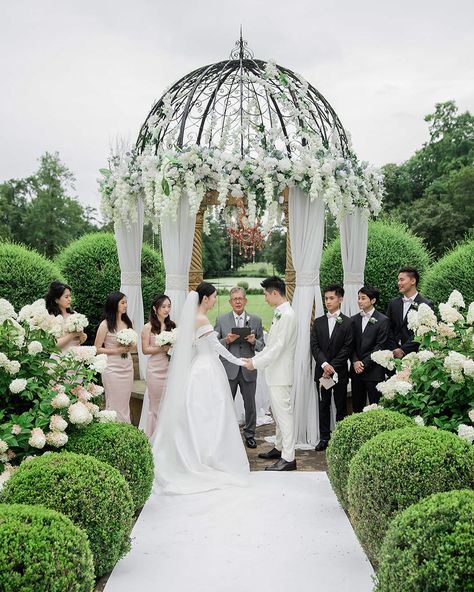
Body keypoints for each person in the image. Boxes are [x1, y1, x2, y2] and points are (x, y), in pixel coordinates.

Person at [153, 282, 250, 495]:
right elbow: (217, 348)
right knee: (211, 413)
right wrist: (241, 361)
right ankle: (208, 456)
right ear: (205, 298)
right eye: (214, 296)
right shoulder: (201, 319)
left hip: (198, 367)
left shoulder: (193, 319)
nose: (215, 300)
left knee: (199, 413)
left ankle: (200, 452)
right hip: (207, 369)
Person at [243, 276, 298, 471]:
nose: (265, 298)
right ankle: (279, 447)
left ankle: (289, 458)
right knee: (278, 414)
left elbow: (278, 348)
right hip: (275, 372)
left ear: (275, 293)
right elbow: (270, 346)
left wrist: (255, 363)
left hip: (281, 374)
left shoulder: (288, 315)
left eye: (266, 294)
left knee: (284, 416)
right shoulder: (279, 313)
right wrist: (255, 360)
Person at [214, 286, 264, 449]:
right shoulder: (221, 320)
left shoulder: (255, 320)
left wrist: (253, 341)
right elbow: (214, 345)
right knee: (226, 404)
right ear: (230, 302)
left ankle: (250, 435)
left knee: (250, 404)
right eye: (234, 299)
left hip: (248, 368)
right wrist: (227, 341)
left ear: (245, 300)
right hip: (229, 369)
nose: (237, 301)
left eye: (240, 298)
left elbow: (262, 346)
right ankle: (225, 435)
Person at [310, 285, 353, 451]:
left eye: (331, 298)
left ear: (340, 299)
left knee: (341, 405)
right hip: (322, 372)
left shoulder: (348, 322)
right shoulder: (319, 322)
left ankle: (340, 439)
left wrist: (333, 366)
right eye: (326, 298)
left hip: (339, 373)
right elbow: (314, 346)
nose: (328, 301)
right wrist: (325, 365)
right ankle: (324, 438)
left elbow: (347, 348)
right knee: (323, 405)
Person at [94, 292, 135, 423]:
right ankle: (112, 428)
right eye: (122, 302)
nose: (125, 305)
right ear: (114, 304)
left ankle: (126, 429)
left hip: (127, 367)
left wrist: (129, 345)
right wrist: (117, 350)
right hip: (111, 368)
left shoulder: (128, 322)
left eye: (126, 302)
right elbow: (97, 348)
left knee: (124, 402)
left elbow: (132, 345)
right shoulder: (105, 324)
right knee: (113, 402)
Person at [350, 286, 390, 413]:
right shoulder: (353, 320)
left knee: (375, 406)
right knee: (357, 406)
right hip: (356, 372)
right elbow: (350, 344)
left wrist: (364, 363)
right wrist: (355, 361)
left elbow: (381, 345)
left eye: (363, 298)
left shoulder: (383, 320)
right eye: (358, 298)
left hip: (374, 371)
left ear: (373, 300)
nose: (360, 301)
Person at [141, 294, 176, 437]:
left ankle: (166, 437)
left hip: (170, 368)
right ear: (155, 309)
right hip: (155, 369)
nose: (167, 309)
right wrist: (162, 348)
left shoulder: (172, 326)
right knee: (155, 405)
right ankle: (152, 437)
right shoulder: (148, 327)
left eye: (169, 306)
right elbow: (145, 350)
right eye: (163, 307)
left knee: (169, 405)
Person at [386, 267, 433, 359]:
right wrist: (394, 349)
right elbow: (388, 328)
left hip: (414, 355)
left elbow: (423, 332)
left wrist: (403, 350)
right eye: (398, 280)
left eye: (402, 280)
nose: (399, 283)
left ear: (413, 281)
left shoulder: (426, 305)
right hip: (393, 355)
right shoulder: (393, 303)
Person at [45, 281, 87, 351]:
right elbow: (53, 345)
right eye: (66, 297)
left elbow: (81, 340)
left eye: (70, 296)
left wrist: (83, 336)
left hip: (77, 355)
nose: (69, 299)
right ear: (56, 300)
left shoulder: (75, 314)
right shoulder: (51, 318)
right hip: (60, 358)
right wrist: (72, 335)